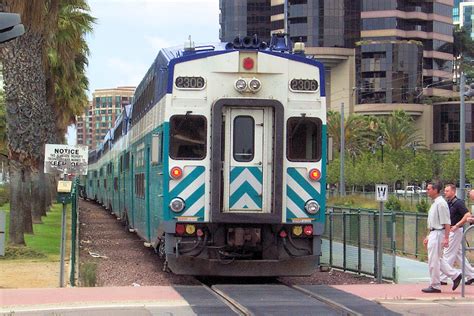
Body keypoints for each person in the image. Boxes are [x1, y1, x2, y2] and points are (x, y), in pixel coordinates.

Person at [422, 182, 462, 293]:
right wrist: (428, 236)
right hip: (434, 233)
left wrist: (446, 238)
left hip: (439, 233)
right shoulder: (435, 203)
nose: (427, 191)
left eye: (429, 189)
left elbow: (446, 222)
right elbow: (433, 222)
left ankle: (435, 285)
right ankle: (455, 275)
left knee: (433, 260)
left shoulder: (441, 204)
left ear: (435, 190)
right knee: (437, 259)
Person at [439, 184, 474, 285]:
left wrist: (457, 226)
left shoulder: (458, 203)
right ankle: (471, 275)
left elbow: (467, 214)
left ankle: (443, 278)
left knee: (448, 254)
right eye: (445, 191)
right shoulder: (449, 203)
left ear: (453, 192)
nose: (445, 192)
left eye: (447, 191)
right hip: (452, 231)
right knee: (459, 255)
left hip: (455, 232)